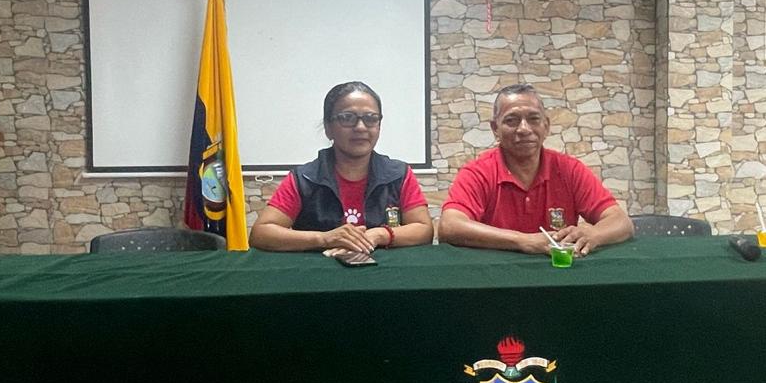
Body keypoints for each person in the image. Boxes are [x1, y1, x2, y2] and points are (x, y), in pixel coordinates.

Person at [438, 84, 634, 256]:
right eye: (511, 120)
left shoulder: (570, 170)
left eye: (533, 119)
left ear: (546, 126)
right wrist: (524, 241)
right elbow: (449, 226)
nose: (524, 129)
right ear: (495, 129)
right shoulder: (478, 172)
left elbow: (621, 222)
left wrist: (594, 234)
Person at [250, 81, 434, 252]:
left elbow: (424, 229)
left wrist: (380, 234)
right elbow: (261, 233)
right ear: (328, 128)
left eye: (371, 118)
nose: (360, 127)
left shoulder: (399, 174)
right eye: (347, 118)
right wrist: (324, 238)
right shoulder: (304, 178)